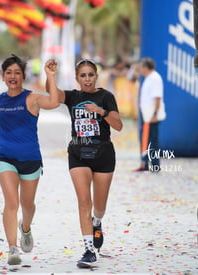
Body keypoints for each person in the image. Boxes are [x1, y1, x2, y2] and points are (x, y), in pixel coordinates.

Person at [0, 55, 59, 265]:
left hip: (31, 159)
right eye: (9, 72)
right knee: (11, 202)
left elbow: (54, 102)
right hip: (4, 157)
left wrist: (50, 76)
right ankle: (12, 248)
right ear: (2, 76)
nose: (13, 76)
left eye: (17, 73)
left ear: (23, 76)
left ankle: (25, 227)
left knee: (28, 205)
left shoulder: (33, 99)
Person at [45, 59, 123, 268]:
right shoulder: (73, 96)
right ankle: (89, 250)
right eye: (83, 75)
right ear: (77, 78)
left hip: (103, 154)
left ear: (96, 76)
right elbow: (53, 94)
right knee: (83, 202)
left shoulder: (106, 97)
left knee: (99, 206)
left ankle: (97, 222)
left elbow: (118, 126)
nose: (87, 79)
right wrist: (50, 76)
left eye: (90, 75)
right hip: (78, 153)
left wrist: (100, 112)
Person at [134, 57, 166, 172]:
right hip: (146, 115)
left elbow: (157, 97)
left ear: (146, 67)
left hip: (151, 115)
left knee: (152, 140)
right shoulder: (149, 78)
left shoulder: (154, 78)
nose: (140, 69)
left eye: (141, 67)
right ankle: (145, 163)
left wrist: (155, 114)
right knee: (146, 139)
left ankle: (155, 165)